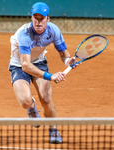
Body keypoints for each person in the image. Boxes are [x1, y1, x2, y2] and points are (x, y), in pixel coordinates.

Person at [8, 2, 79, 144]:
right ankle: (32, 108)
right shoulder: (24, 34)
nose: (38, 21)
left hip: (39, 61)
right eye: (36, 17)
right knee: (25, 101)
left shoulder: (53, 30)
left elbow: (63, 53)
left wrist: (67, 62)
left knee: (46, 100)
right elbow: (26, 65)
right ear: (32, 17)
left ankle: (53, 129)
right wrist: (50, 76)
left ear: (48, 19)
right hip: (19, 64)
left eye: (42, 18)